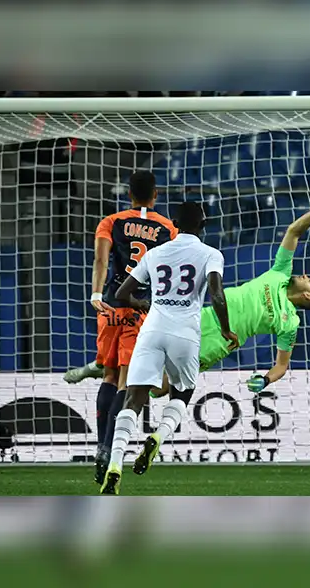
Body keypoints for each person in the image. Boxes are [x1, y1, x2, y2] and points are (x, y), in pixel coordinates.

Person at [92, 188, 310, 486]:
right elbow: (294, 231)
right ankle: (153, 434)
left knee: (158, 389)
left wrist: (266, 379)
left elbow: (282, 365)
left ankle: (128, 441)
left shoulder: (289, 322)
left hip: (215, 340)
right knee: (167, 390)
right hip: (201, 319)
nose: (306, 275)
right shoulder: (280, 272)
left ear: (307, 295)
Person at [100, 202, 236, 495]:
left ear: (174, 222)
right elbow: (216, 293)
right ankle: (158, 437)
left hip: (152, 330)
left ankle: (114, 465)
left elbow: (121, 293)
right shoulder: (212, 254)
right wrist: (225, 329)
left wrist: (142, 303)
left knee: (133, 400)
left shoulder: (155, 253)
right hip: (185, 333)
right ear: (204, 225)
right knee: (181, 394)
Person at [81, 170, 177, 476]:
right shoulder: (168, 229)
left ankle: (100, 446)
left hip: (111, 304)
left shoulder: (112, 221)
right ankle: (110, 452)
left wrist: (97, 292)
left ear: (128, 194)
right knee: (126, 380)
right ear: (156, 194)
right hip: (143, 310)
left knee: (108, 376)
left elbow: (101, 260)